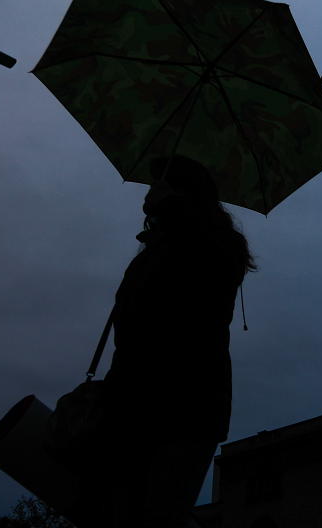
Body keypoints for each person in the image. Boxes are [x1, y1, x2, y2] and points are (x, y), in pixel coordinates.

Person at [102, 155, 256, 528]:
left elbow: (209, 265)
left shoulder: (220, 244)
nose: (153, 189)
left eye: (163, 183)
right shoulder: (152, 251)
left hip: (189, 407)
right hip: (132, 408)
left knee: (161, 517)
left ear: (185, 193)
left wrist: (171, 209)